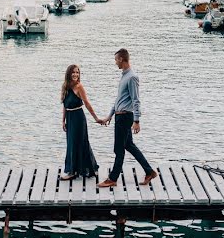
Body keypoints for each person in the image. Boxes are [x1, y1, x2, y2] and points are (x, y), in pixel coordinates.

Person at [98, 49, 157, 188]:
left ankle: (113, 178)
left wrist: (136, 121)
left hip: (125, 117)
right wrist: (109, 116)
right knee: (128, 145)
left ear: (122, 59)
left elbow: (136, 100)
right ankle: (149, 171)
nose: (115, 62)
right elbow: (119, 99)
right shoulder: (124, 76)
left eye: (116, 60)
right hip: (120, 116)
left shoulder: (132, 77)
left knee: (119, 149)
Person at [60, 64, 101, 180]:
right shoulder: (65, 87)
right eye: (73, 72)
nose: (75, 74)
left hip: (78, 118)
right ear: (69, 73)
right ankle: (84, 168)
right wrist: (63, 121)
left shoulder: (79, 87)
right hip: (70, 117)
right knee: (71, 143)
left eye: (77, 72)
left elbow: (87, 103)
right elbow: (64, 105)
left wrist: (96, 118)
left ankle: (74, 172)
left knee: (79, 143)